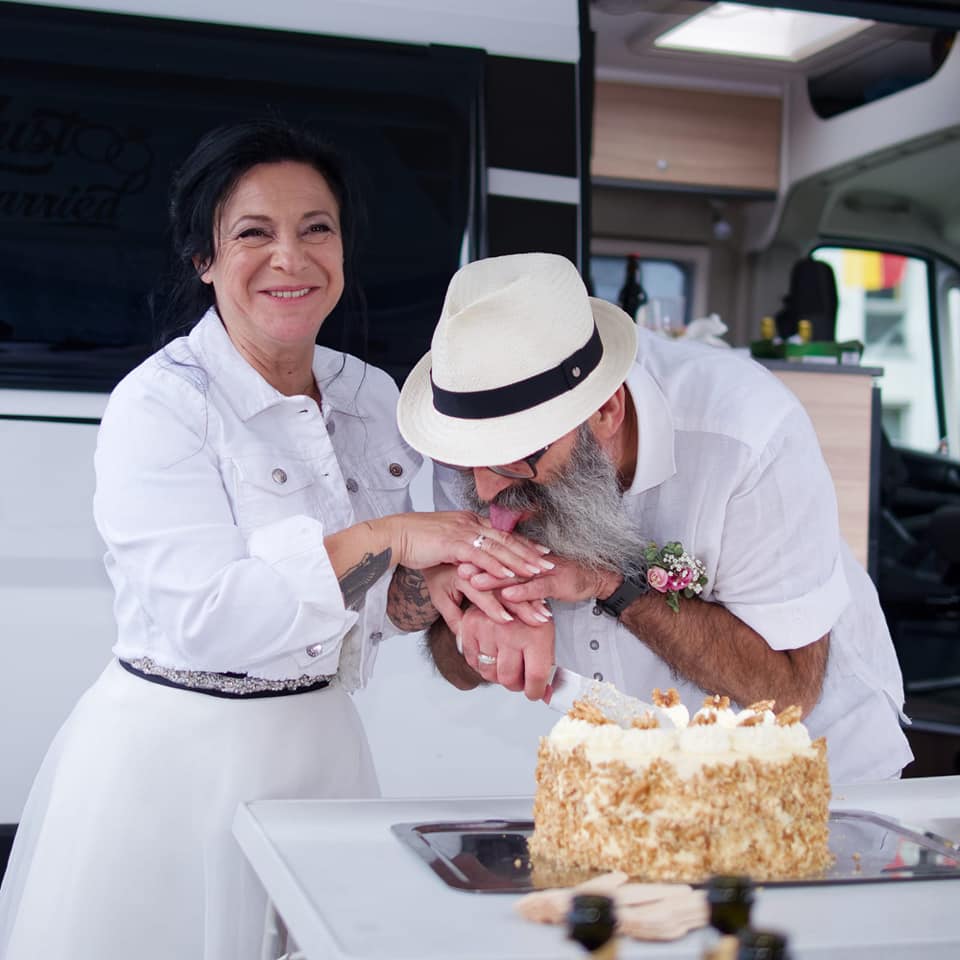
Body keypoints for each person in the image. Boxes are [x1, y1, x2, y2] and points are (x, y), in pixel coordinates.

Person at [0, 121, 549, 960]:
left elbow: (377, 601)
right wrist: (391, 534)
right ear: (204, 257)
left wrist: (446, 588)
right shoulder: (161, 406)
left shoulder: (372, 396)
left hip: (322, 751)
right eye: (253, 233)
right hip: (173, 766)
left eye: (316, 229)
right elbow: (210, 620)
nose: (290, 258)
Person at [392, 252, 913, 783]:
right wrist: (482, 623)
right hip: (642, 779)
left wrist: (607, 584)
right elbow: (455, 666)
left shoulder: (747, 436)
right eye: (467, 462)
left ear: (605, 412)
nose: (485, 491)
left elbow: (786, 692)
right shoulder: (477, 447)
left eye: (512, 457)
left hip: (813, 772)